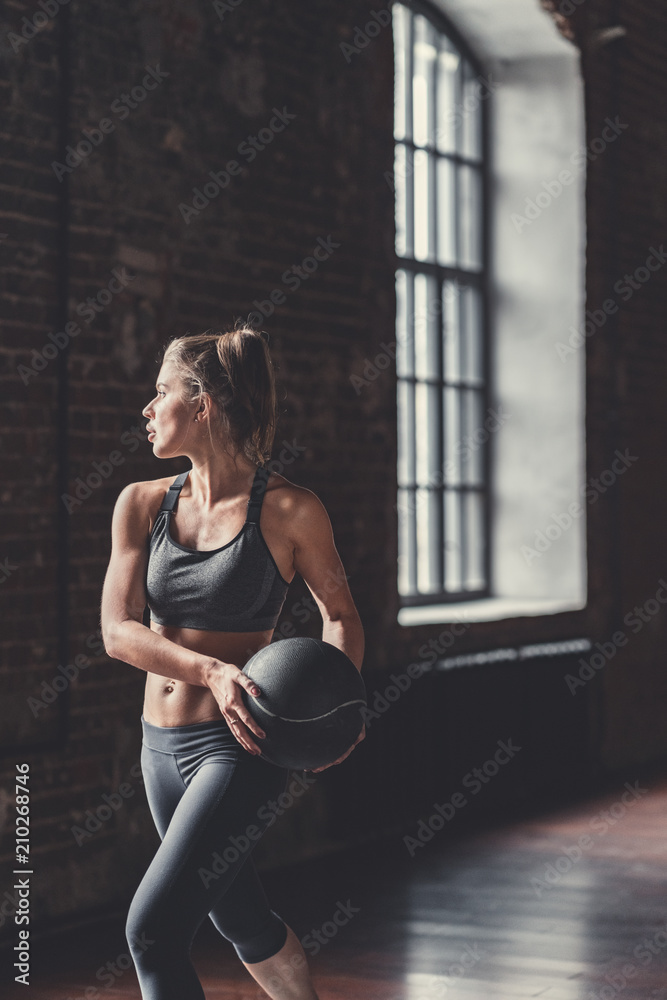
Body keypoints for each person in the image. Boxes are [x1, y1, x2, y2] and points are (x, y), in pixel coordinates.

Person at [99, 325, 365, 1000]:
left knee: (152, 933)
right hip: (158, 746)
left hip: (239, 746)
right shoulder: (138, 504)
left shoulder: (288, 511)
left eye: (160, 393)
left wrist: (340, 713)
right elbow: (117, 632)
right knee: (238, 913)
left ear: (202, 405)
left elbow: (340, 617)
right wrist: (210, 671)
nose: (147, 409)